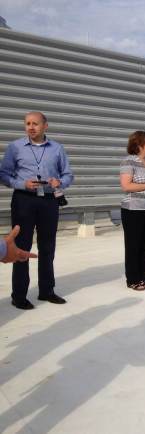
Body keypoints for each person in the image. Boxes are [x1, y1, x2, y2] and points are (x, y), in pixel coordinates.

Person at [0, 112, 74, 310]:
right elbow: (4, 174)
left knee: (48, 247)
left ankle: (47, 291)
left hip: (49, 201)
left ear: (45, 126)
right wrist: (22, 183)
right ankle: (19, 295)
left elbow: (68, 174)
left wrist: (61, 182)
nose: (30, 127)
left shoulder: (57, 148)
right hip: (23, 200)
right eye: (27, 124)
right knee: (21, 247)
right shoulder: (15, 147)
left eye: (35, 124)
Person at [119, 131, 145, 291]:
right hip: (133, 210)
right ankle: (132, 280)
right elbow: (126, 186)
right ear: (138, 145)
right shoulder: (128, 162)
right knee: (133, 245)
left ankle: (141, 277)